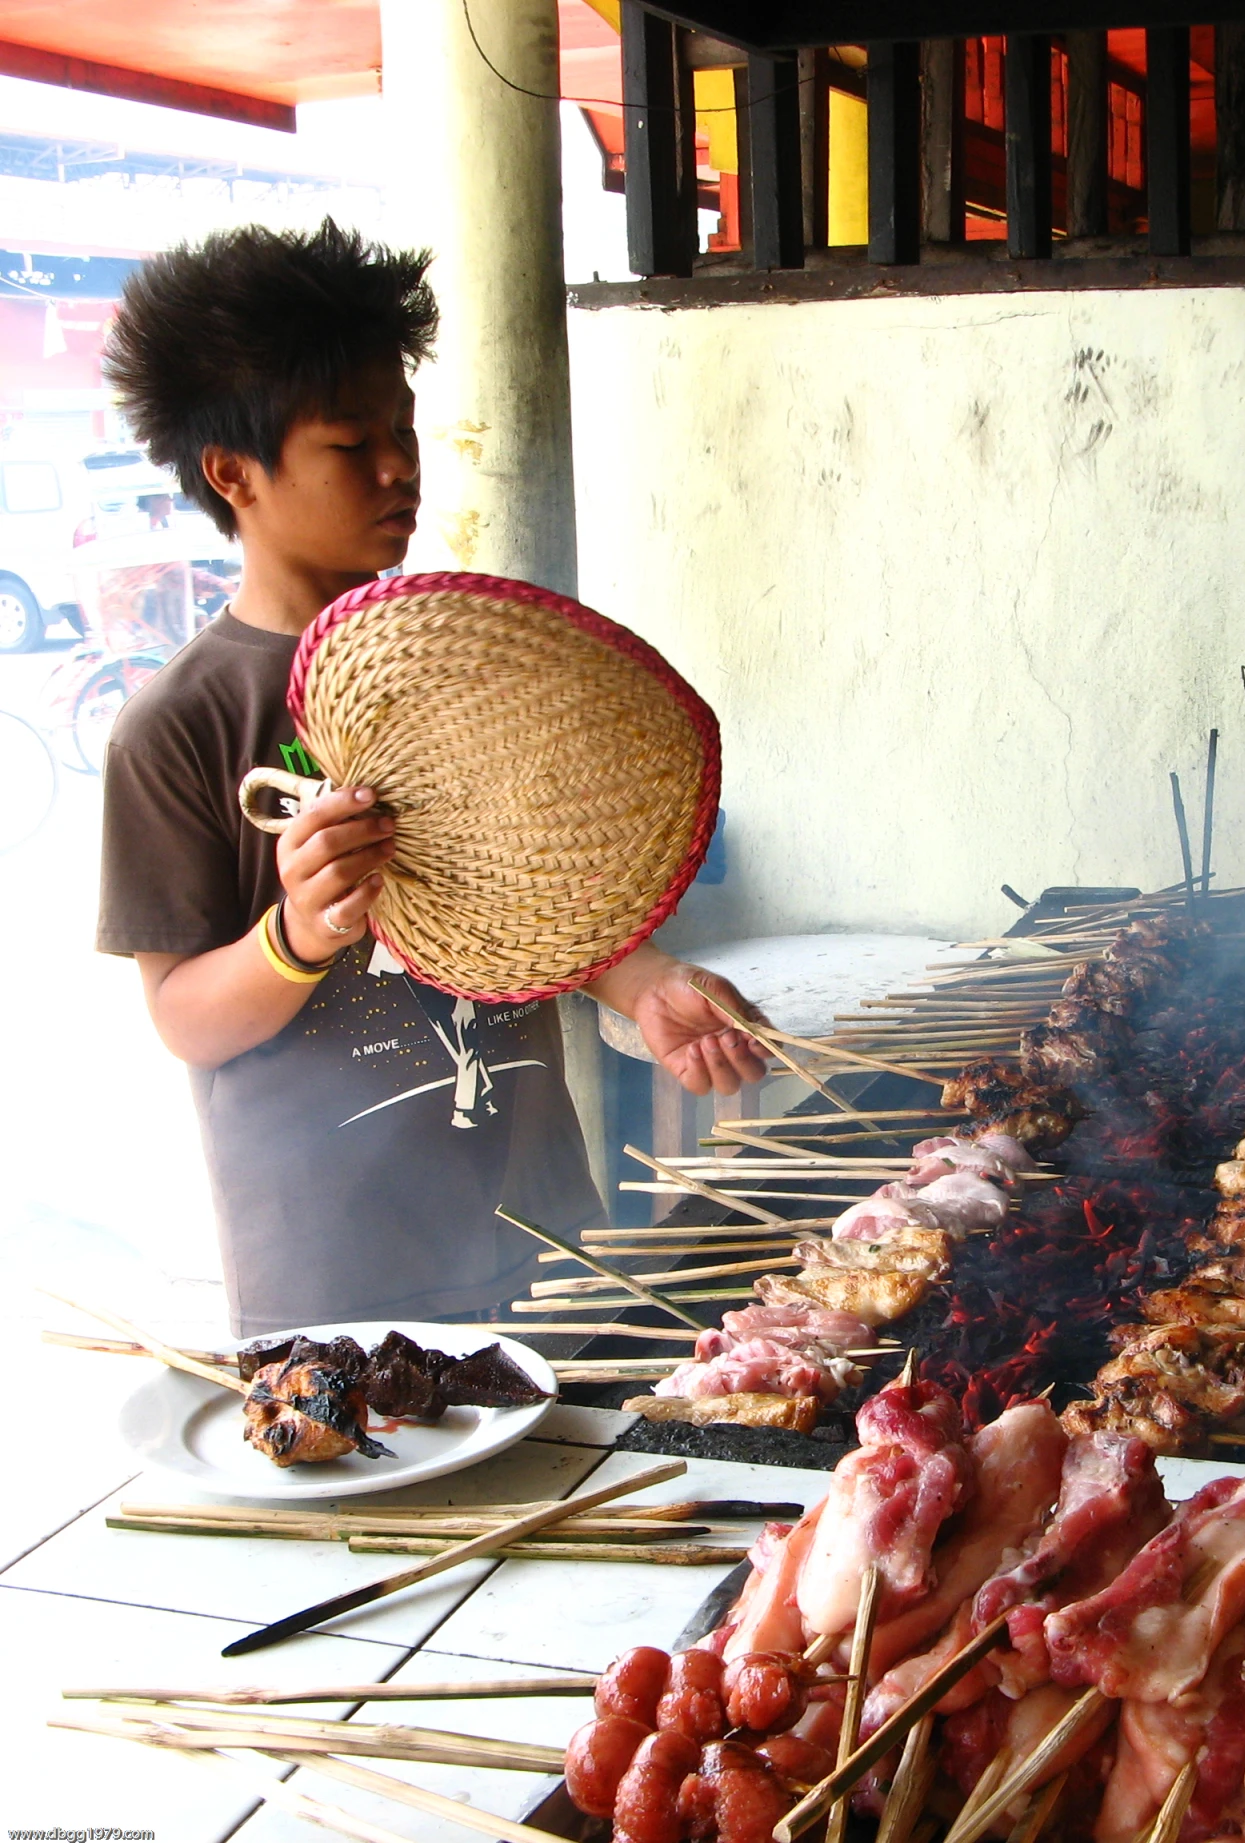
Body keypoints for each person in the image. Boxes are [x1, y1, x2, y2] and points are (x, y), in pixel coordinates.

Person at [95, 220, 767, 1336]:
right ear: (232, 474)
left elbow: (531, 910)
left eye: (402, 433)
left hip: (545, 1233)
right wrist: (297, 932)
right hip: (342, 1278)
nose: (400, 467)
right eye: (351, 443)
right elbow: (183, 1017)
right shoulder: (176, 728)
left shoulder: (463, 669)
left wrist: (645, 985)